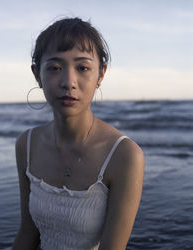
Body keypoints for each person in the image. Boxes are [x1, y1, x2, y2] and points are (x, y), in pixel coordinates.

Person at [12, 17, 144, 250]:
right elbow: (27, 234)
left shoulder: (124, 156)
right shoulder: (27, 145)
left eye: (82, 68)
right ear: (37, 74)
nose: (68, 82)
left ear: (101, 74)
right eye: (54, 68)